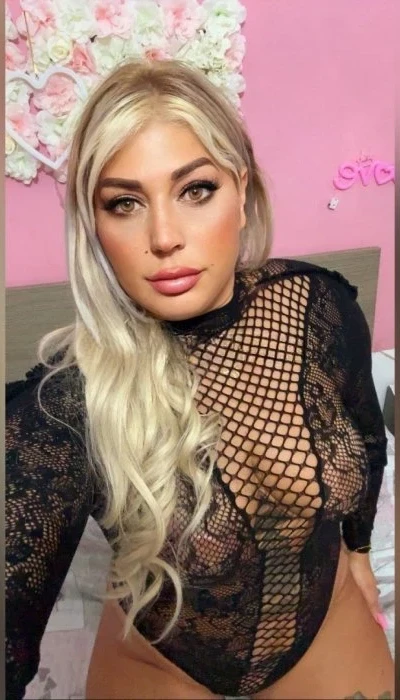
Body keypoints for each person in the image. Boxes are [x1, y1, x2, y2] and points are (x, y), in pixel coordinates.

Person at [6, 58, 394, 700]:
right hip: (163, 665)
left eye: (195, 190)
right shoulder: (65, 407)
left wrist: (357, 554)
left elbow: (367, 438)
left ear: (241, 192)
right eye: (124, 203)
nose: (164, 237)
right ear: (95, 227)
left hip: (325, 628)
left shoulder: (317, 306)